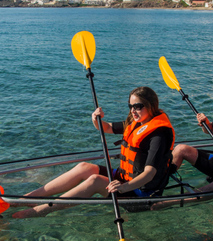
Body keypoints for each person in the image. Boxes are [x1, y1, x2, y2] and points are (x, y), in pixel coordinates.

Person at [13, 86, 175, 218]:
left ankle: (40, 211)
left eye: (138, 106)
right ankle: (27, 199)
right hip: (124, 179)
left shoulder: (159, 134)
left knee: (95, 180)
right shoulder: (137, 122)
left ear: (151, 105)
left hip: (142, 195)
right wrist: (96, 119)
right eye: (130, 106)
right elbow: (107, 128)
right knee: (85, 167)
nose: (133, 111)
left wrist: (123, 188)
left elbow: (150, 173)